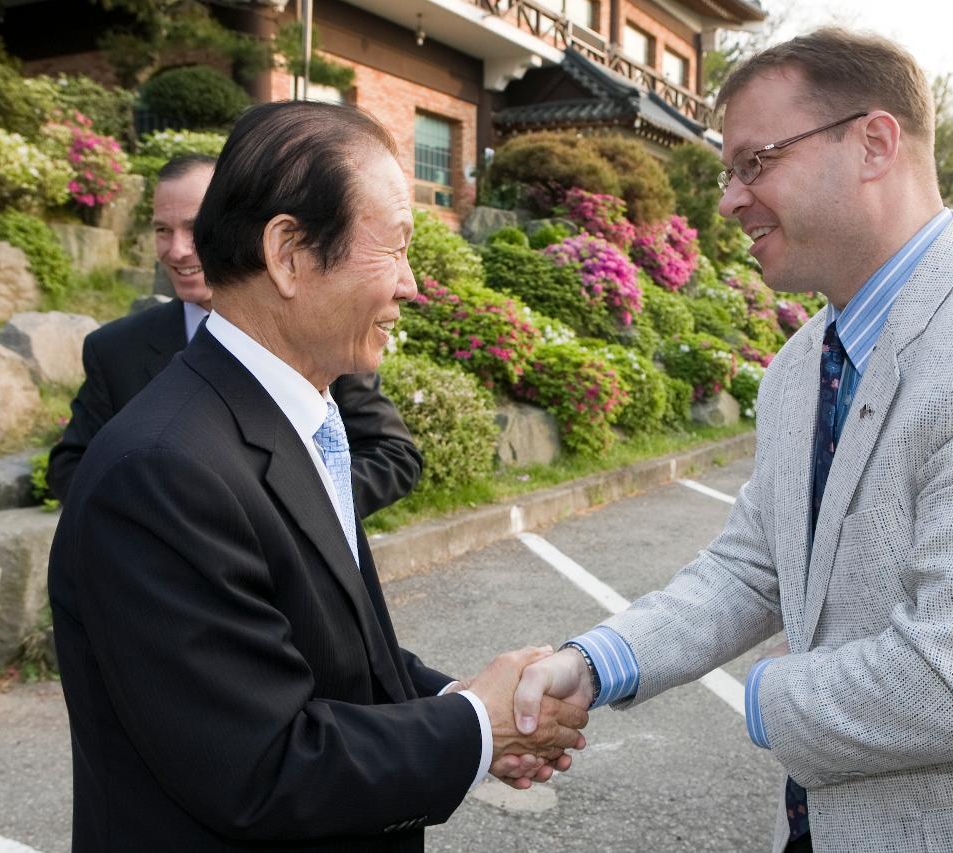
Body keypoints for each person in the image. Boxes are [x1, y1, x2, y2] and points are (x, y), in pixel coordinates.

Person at [515, 26, 953, 853]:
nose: (727, 199)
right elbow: (754, 562)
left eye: (755, 161)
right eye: (727, 171)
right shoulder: (800, 364)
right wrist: (595, 661)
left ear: (873, 143)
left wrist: (765, 693)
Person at [48, 101, 587, 852]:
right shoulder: (163, 471)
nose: (410, 285)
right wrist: (474, 726)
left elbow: (333, 651)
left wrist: (462, 703)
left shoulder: (301, 417)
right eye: (395, 249)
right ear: (289, 254)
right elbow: (258, 764)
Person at [46, 155, 423, 515]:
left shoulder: (317, 335)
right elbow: (70, 465)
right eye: (163, 230)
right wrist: (160, 514)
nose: (177, 251)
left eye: (194, 229)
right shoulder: (115, 348)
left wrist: (300, 513)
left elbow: (393, 454)